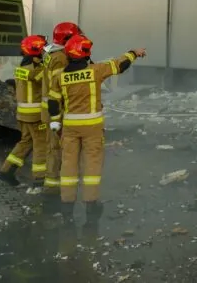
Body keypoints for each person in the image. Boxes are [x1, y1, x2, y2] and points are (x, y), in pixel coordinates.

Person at [47, 35, 146, 224]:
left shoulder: (59, 75)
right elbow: (120, 64)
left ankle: (67, 206)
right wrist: (135, 53)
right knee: (92, 165)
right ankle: (91, 205)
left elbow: (53, 101)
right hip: (92, 127)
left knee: (68, 165)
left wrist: (54, 122)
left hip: (70, 127)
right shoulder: (96, 70)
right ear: (85, 53)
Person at [0, 34, 49, 186]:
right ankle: (40, 178)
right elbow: (49, 79)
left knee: (26, 142)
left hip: (23, 114)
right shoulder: (36, 70)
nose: (45, 51)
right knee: (41, 144)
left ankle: (6, 171)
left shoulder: (22, 67)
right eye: (43, 48)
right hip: (35, 115)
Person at [41, 21, 82, 197]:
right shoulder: (61, 58)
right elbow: (59, 87)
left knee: (54, 148)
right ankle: (52, 188)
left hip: (51, 110)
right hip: (55, 111)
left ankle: (54, 183)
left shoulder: (52, 54)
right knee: (57, 149)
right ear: (66, 38)